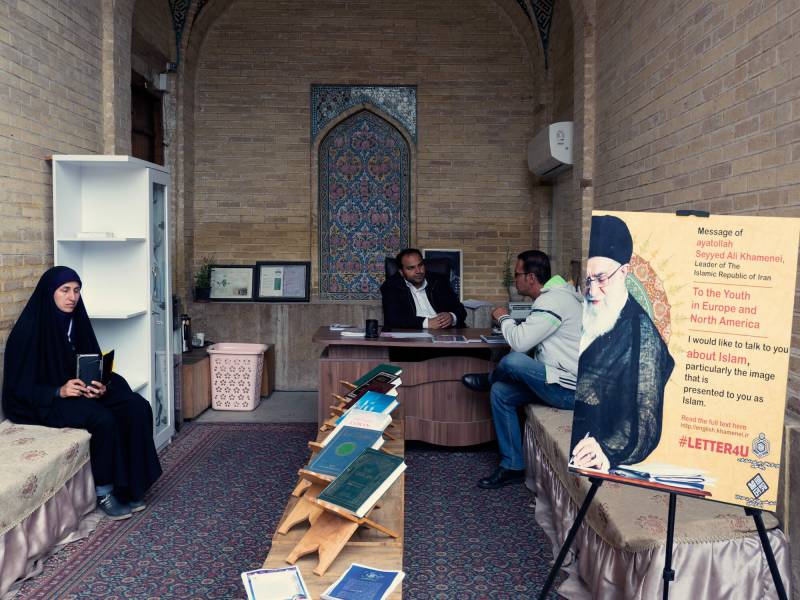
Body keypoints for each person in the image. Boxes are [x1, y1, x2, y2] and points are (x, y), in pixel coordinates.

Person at [2, 266, 162, 520]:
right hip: (42, 400)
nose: (72, 297)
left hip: (79, 390)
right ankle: (105, 491)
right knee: (102, 419)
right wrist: (58, 390)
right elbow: (17, 387)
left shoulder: (77, 323)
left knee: (136, 406)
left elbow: (93, 361)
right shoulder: (27, 332)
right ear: (49, 293)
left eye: (76, 290)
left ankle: (131, 485)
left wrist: (99, 385)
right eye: (64, 290)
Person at [462, 250, 583, 489]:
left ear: (531, 277)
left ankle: (489, 377)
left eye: (517, 274)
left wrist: (503, 317)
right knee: (501, 392)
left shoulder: (554, 300)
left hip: (570, 390)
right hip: (555, 380)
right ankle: (512, 465)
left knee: (513, 360)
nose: (514, 280)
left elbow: (519, 343)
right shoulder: (553, 297)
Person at [569, 215, 675, 471]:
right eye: (588, 279)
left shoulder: (642, 334)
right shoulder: (590, 308)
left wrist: (605, 447)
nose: (592, 291)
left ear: (624, 272)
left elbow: (644, 416)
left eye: (602, 278)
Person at [380, 248, 467, 329]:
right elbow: (392, 319)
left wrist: (452, 316)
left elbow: (460, 309)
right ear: (401, 272)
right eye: (411, 268)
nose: (418, 271)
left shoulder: (439, 281)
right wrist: (426, 323)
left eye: (420, 265)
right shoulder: (391, 286)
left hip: (445, 335)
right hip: (413, 337)